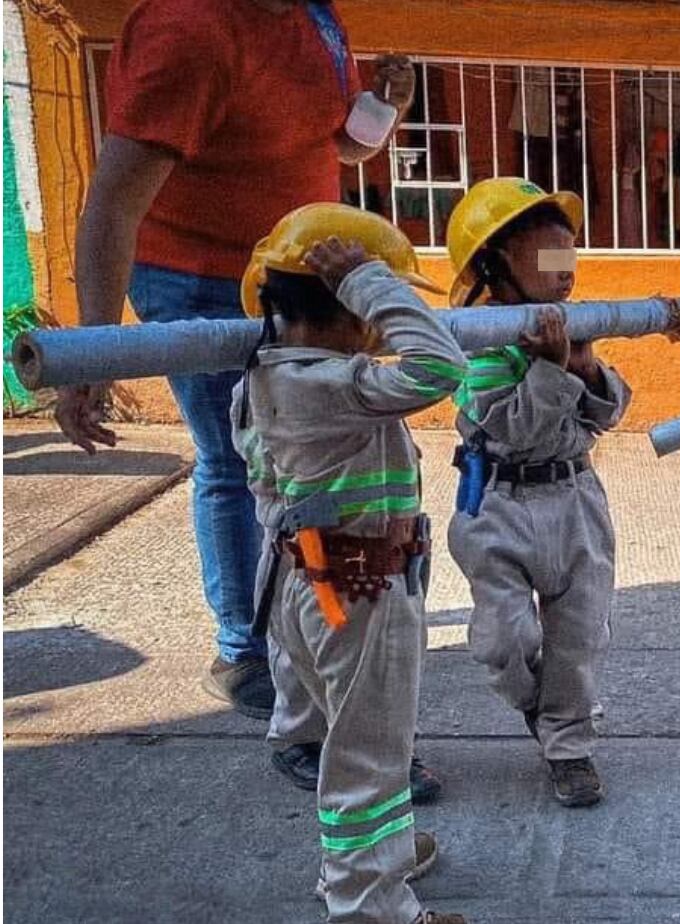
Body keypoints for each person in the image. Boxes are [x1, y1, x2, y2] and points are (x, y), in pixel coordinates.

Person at [56, 0, 416, 719]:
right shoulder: (189, 28)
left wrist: (381, 107)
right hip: (202, 278)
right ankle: (244, 651)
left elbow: (337, 147)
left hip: (298, 282)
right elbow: (113, 202)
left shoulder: (314, 15)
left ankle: (312, 619)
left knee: (312, 463)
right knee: (241, 463)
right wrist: (90, 350)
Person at [231, 204, 466, 924]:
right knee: (368, 758)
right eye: (367, 303)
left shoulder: (265, 379)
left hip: (313, 588)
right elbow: (441, 366)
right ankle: (369, 906)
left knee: (358, 745)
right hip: (356, 594)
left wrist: (364, 286)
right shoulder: (331, 386)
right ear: (351, 306)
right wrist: (372, 283)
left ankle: (371, 864)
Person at [442, 178, 632, 807]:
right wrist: (552, 369)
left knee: (579, 635)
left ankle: (568, 745)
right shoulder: (476, 343)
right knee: (504, 641)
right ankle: (542, 705)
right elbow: (517, 429)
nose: (566, 275)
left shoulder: (567, 332)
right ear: (496, 262)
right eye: (548, 260)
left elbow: (608, 412)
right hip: (498, 505)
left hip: (574, 501)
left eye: (569, 259)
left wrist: (584, 367)